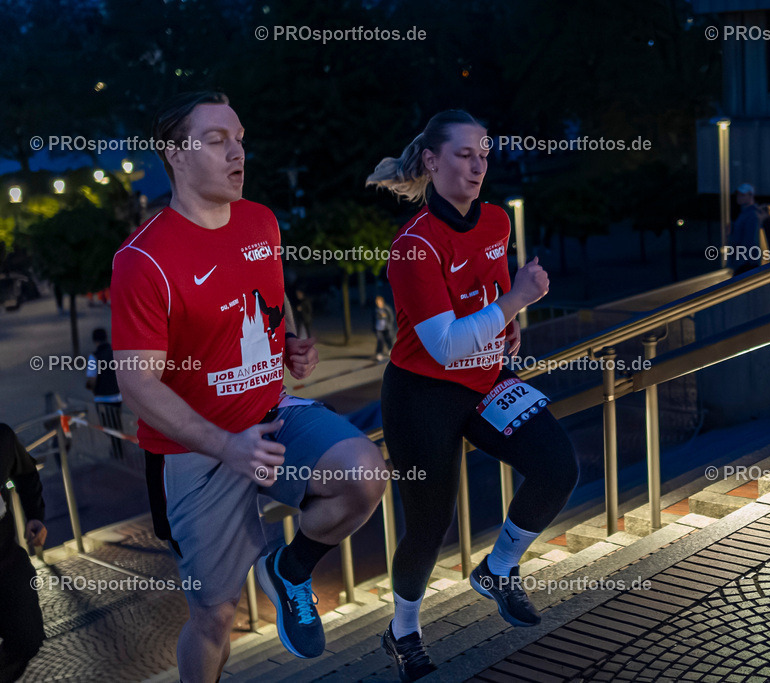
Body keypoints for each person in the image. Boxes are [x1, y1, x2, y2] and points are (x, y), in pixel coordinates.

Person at [110, 91, 388, 682]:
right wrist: (226, 445)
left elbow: (267, 290)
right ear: (176, 156)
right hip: (192, 454)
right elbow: (135, 384)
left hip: (271, 414)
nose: (237, 152)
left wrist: (285, 339)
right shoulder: (144, 259)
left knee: (364, 477)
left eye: (239, 139)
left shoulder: (261, 220)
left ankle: (289, 570)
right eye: (217, 141)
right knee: (215, 617)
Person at [367, 110, 579, 681]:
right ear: (432, 162)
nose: (478, 164)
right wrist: (517, 301)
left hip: (486, 380)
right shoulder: (414, 244)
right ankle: (403, 630)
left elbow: (489, 299)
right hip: (422, 394)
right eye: (464, 154)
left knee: (558, 466)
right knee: (430, 525)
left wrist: (510, 322)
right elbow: (442, 345)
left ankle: (499, 568)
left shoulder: (494, 222)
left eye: (484, 153)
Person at [0, 423, 47, 683]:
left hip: (6, 561)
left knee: (28, 638)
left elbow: (27, 473)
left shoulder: (2, 438)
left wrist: (35, 515)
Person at [86, 327, 125, 459]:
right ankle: (118, 449)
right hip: (117, 396)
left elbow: (92, 380)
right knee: (117, 423)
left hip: (102, 399)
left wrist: (90, 387)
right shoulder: (115, 352)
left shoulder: (94, 357)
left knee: (107, 426)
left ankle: (117, 451)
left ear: (94, 340)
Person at [727, 182, 763, 273]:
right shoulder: (744, 214)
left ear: (751, 196)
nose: (739, 197)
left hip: (746, 264)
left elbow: (750, 241)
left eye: (742, 195)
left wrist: (744, 262)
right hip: (743, 262)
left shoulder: (752, 215)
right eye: (738, 195)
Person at [372, 295, 396, 361]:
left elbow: (391, 317)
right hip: (378, 328)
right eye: (377, 302)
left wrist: (389, 325)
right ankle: (379, 353)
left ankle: (390, 350)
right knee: (380, 340)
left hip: (386, 327)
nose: (378, 303)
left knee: (389, 339)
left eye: (379, 302)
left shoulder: (386, 308)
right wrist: (374, 328)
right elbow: (373, 319)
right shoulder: (375, 310)